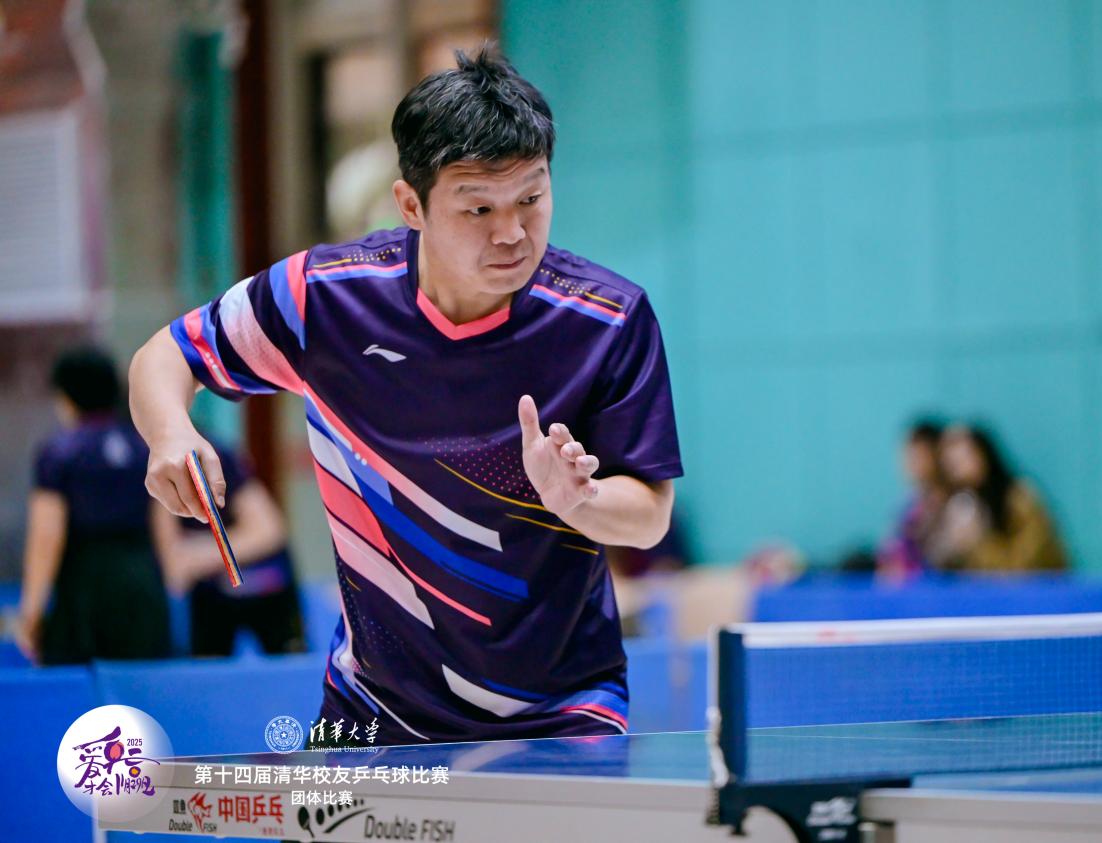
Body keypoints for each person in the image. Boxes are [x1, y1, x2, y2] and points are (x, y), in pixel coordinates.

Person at [128, 46, 680, 744]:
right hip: (374, 710)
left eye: (531, 198)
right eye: (478, 207)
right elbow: (165, 356)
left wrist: (580, 501)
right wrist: (171, 433)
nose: (511, 232)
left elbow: (650, 515)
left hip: (562, 707)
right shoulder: (322, 300)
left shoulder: (607, 319)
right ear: (411, 205)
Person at [16, 346, 172, 665]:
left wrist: (31, 609)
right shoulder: (142, 447)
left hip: (83, 587)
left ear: (65, 397)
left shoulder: (59, 452)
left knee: (76, 690)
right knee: (141, 686)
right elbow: (164, 529)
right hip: (142, 584)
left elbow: (47, 535)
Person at [153, 441, 306, 656]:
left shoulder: (216, 457)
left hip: (263, 585)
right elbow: (175, 570)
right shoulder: (157, 471)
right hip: (210, 597)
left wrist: (200, 553)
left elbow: (269, 530)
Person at [933, 424, 1067, 573]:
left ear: (983, 454)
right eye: (949, 463)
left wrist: (977, 545)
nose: (954, 465)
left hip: (1044, 584)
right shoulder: (962, 506)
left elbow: (1026, 568)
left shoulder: (1020, 499)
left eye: (962, 458)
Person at [875, 418, 949, 582]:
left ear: (937, 454)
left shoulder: (951, 504)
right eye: (907, 454)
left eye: (917, 455)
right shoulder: (909, 504)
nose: (909, 462)